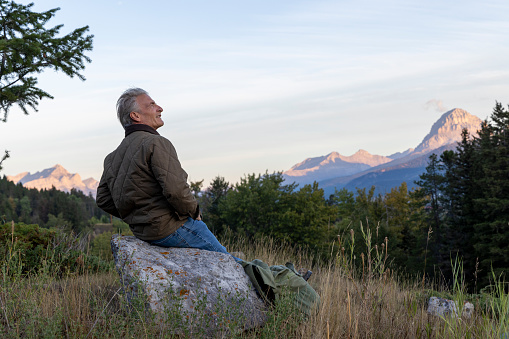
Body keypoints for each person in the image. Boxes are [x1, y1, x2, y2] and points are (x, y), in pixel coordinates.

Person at [96, 88, 238, 261]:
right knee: (231, 263)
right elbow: (176, 190)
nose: (160, 108)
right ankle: (268, 284)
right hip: (170, 227)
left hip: (143, 233)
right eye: (152, 105)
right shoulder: (156, 143)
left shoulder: (111, 158)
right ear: (136, 116)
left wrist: (136, 216)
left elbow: (103, 199)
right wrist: (194, 212)